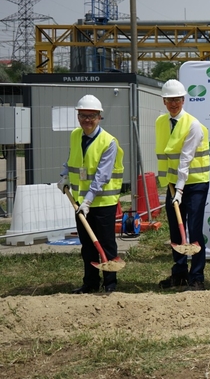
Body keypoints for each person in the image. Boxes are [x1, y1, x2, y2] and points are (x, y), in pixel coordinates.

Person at [57, 94, 124, 294]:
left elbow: (102, 176)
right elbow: (72, 159)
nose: (87, 120)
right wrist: (65, 176)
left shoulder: (108, 142)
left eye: (91, 116)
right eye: (83, 115)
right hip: (80, 202)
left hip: (103, 203)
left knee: (106, 243)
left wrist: (88, 201)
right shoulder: (75, 135)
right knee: (87, 245)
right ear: (78, 116)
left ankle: (110, 283)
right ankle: (90, 283)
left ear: (99, 117)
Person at [156, 79, 210, 291]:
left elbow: (186, 159)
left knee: (194, 231)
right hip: (172, 185)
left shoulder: (193, 125)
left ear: (183, 100)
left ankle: (197, 277)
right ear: (164, 101)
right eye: (170, 100)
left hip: (195, 184)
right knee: (176, 233)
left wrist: (180, 189)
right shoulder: (161, 122)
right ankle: (179, 274)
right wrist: (173, 187)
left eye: (177, 99)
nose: (173, 103)